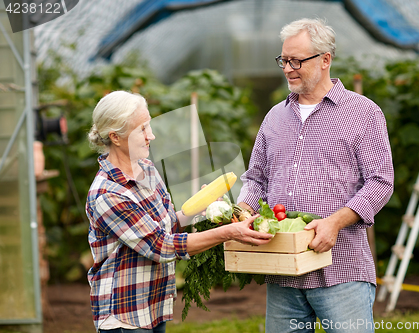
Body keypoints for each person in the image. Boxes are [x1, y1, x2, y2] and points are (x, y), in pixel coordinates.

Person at [237, 18, 394, 333]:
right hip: (282, 269)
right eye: (284, 60)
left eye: (297, 60)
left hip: (342, 270)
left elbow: (380, 182)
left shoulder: (363, 113)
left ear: (326, 60)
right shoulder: (275, 117)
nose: (288, 68)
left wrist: (334, 222)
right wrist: (243, 211)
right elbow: (256, 179)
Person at [85, 90, 272, 332]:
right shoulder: (108, 194)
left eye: (149, 126)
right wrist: (229, 232)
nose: (150, 135)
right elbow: (161, 246)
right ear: (116, 137)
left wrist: (199, 208)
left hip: (153, 305)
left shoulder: (147, 169)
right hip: (124, 315)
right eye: (141, 129)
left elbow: (168, 226)